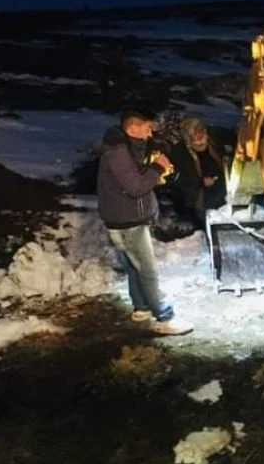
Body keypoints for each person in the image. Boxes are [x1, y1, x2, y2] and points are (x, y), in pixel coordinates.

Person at [97, 108, 193, 336]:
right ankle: (165, 318)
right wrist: (158, 166)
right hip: (128, 224)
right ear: (133, 128)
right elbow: (136, 187)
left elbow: (134, 182)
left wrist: (154, 174)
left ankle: (141, 308)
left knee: (133, 267)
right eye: (147, 129)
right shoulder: (118, 153)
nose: (150, 134)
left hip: (124, 220)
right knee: (147, 271)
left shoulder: (127, 149)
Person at [169, 117, 227, 228]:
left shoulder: (214, 143)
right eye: (195, 133)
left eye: (201, 131)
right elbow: (176, 179)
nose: (199, 136)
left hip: (223, 192)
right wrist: (200, 181)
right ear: (188, 136)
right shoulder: (179, 152)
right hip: (199, 198)